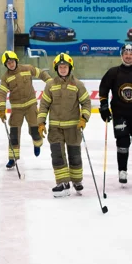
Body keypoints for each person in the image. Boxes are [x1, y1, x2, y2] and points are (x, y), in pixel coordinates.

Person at [37, 53, 91, 197]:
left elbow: (86, 103)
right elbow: (43, 106)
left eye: (65, 66)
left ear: (70, 67)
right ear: (56, 68)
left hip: (73, 128)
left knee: (75, 155)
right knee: (57, 155)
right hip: (55, 129)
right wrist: (41, 122)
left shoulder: (78, 85)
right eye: (60, 67)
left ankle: (77, 181)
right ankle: (63, 183)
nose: (62, 69)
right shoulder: (50, 85)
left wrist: (84, 118)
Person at [99, 43, 132, 185]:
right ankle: (122, 171)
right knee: (122, 142)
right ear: (121, 55)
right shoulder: (113, 72)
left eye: (131, 54)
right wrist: (104, 105)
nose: (128, 56)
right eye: (125, 53)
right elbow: (103, 89)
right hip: (120, 114)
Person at [0, 50, 52, 168]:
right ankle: (12, 158)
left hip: (31, 106)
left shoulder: (27, 68)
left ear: (16, 60)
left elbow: (41, 73)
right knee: (14, 134)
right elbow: (2, 93)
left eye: (11, 61)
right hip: (16, 109)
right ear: (5, 65)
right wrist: (2, 109)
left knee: (35, 130)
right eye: (8, 63)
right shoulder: (5, 78)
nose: (10, 64)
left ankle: (37, 144)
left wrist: (49, 81)